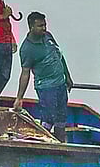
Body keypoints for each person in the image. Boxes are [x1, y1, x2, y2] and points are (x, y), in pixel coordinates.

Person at [12, 12, 73, 142]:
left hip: (60, 84)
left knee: (61, 117)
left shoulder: (48, 36)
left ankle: (61, 143)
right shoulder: (27, 48)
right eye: (40, 26)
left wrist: (67, 76)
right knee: (48, 118)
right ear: (31, 27)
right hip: (46, 87)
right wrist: (19, 98)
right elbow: (25, 73)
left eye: (45, 25)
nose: (44, 28)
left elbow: (59, 55)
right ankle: (43, 143)